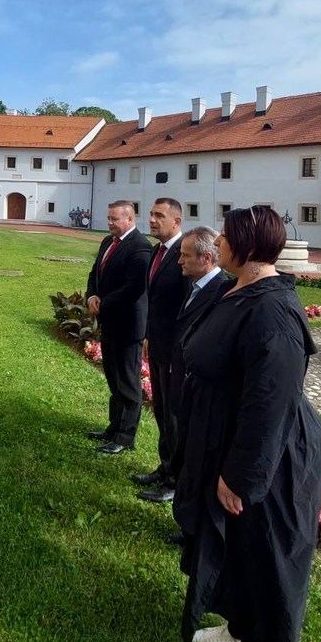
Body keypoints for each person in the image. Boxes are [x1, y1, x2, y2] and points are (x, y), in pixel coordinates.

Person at [174, 207, 321, 642]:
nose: (217, 242)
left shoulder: (274, 313)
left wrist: (241, 476)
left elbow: (269, 404)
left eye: (226, 236)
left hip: (272, 461)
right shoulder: (238, 288)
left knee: (267, 562)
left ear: (247, 246)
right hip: (228, 438)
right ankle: (238, 628)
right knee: (239, 553)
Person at [159, 225, 231, 545]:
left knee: (196, 464)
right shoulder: (195, 285)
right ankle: (188, 524)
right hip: (183, 384)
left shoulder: (220, 292)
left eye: (185, 256)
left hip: (199, 391)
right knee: (184, 454)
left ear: (206, 258)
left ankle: (194, 531)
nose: (179, 262)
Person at [84, 200, 153, 454]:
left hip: (128, 326)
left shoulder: (140, 248)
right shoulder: (107, 242)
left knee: (128, 384)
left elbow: (134, 288)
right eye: (109, 218)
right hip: (109, 323)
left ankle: (125, 437)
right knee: (114, 380)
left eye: (115, 219)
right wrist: (91, 296)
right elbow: (95, 274)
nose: (110, 223)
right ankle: (113, 427)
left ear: (130, 219)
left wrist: (104, 304)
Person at [133, 198, 189, 503]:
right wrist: (147, 336)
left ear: (176, 222)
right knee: (161, 412)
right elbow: (153, 303)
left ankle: (175, 480)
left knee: (174, 417)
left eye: (159, 215)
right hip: (156, 345)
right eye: (151, 214)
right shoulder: (158, 251)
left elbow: (187, 309)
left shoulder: (184, 254)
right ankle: (165, 466)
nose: (152, 220)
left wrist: (177, 351)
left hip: (174, 352)